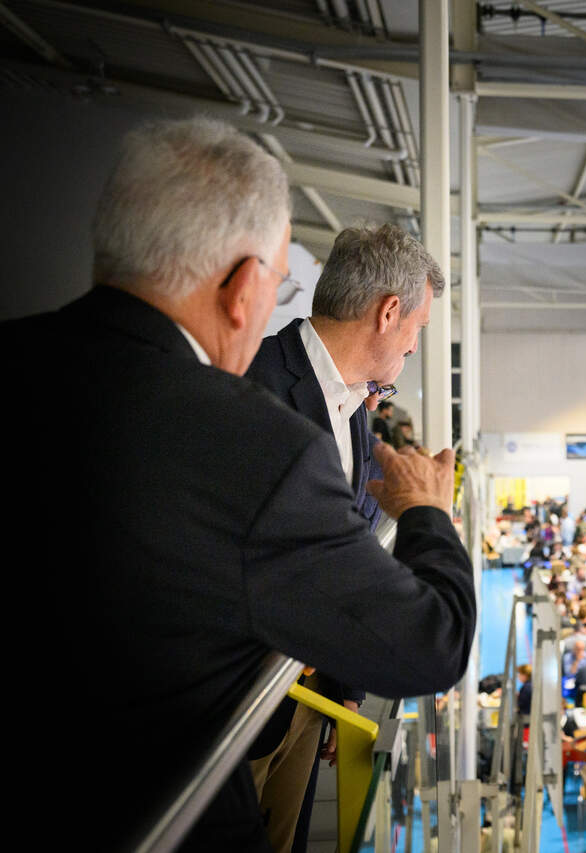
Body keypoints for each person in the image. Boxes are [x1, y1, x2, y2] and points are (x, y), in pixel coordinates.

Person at [0, 116, 476, 852]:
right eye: (279, 281)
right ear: (245, 286)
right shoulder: (248, 440)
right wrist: (426, 514)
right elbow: (432, 643)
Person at [247, 222, 442, 850]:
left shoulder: (355, 408)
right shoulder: (259, 385)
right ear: (390, 312)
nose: (413, 348)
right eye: (417, 330)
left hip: (309, 699)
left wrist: (344, 687)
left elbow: (344, 554)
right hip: (243, 705)